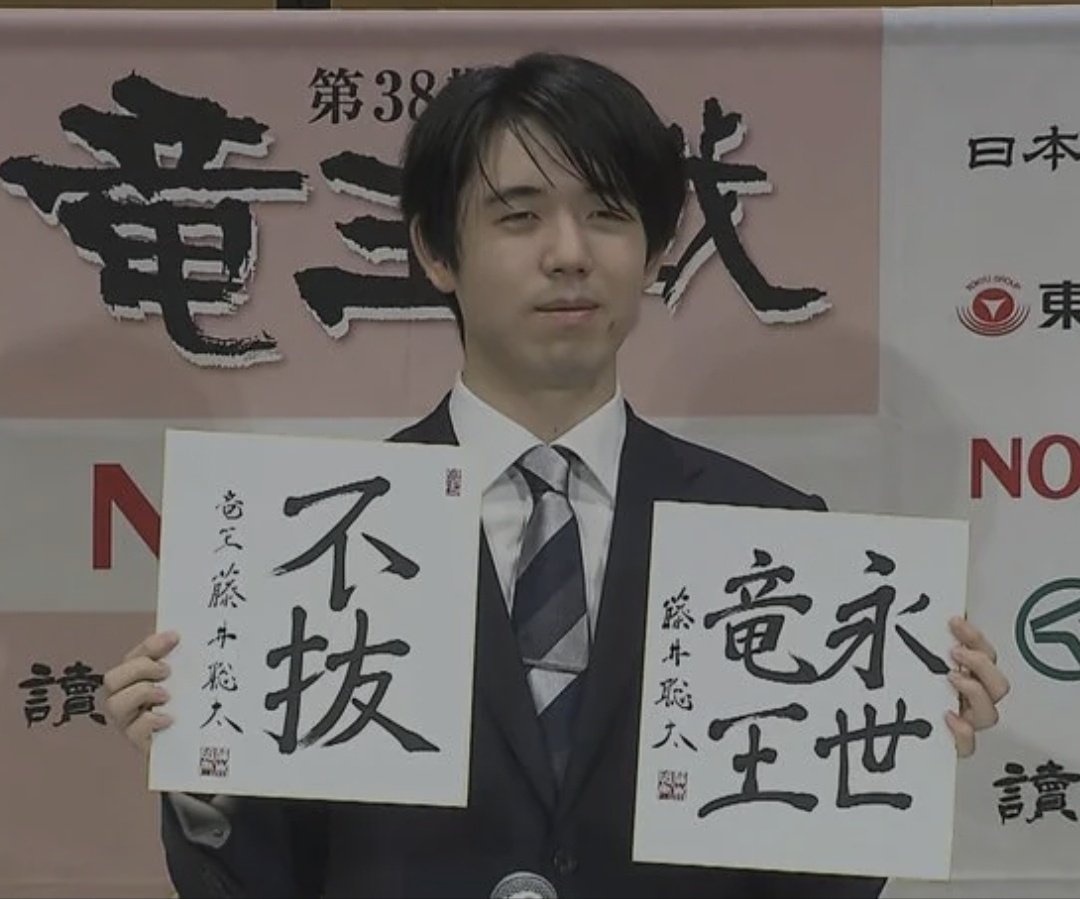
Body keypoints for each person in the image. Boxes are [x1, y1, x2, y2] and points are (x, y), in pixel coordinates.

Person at [102, 52, 1010, 898]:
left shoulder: (771, 537)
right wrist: (204, 773)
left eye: (608, 214)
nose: (570, 252)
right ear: (436, 251)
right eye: (520, 215)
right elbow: (267, 877)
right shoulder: (308, 538)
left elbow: (804, 881)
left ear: (655, 251)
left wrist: (893, 753)